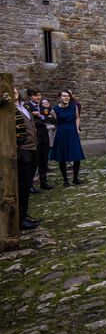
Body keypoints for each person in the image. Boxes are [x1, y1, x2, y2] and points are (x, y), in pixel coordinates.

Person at [14, 88, 41, 230]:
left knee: (27, 183)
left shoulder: (23, 106)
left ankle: (24, 213)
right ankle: (20, 218)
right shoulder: (9, 110)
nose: (14, 92)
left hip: (33, 149)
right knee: (22, 185)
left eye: (15, 90)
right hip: (24, 150)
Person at [49, 90, 85, 186]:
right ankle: (65, 180)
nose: (66, 98)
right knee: (62, 157)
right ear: (59, 97)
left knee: (77, 156)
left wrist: (77, 128)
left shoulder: (74, 107)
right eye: (64, 96)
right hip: (62, 133)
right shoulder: (55, 109)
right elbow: (55, 122)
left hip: (73, 132)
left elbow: (77, 117)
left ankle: (75, 178)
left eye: (68, 96)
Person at [25, 88, 56, 190]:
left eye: (39, 95)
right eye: (35, 95)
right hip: (33, 137)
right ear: (30, 96)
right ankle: (30, 185)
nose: (38, 97)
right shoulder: (26, 107)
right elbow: (30, 121)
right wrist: (40, 119)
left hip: (44, 137)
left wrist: (41, 117)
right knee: (33, 163)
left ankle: (44, 182)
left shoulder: (44, 106)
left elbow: (52, 119)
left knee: (44, 161)